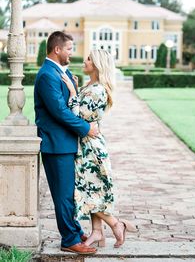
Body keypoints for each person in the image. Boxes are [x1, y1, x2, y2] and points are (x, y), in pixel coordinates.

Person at [62, 49, 135, 249]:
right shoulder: (92, 85)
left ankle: (115, 224)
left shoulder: (97, 90)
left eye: (88, 59)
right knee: (94, 188)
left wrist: (71, 91)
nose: (84, 61)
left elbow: (77, 117)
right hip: (87, 143)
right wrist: (77, 88)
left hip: (90, 147)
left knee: (87, 190)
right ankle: (97, 233)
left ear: (96, 64)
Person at [34, 31, 97, 255]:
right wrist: (86, 128)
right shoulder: (47, 76)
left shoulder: (62, 72)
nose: (72, 53)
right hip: (56, 143)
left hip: (65, 142)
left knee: (69, 193)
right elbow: (59, 111)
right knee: (63, 194)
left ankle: (75, 229)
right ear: (57, 49)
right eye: (69, 49)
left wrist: (74, 88)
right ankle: (69, 239)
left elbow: (69, 104)